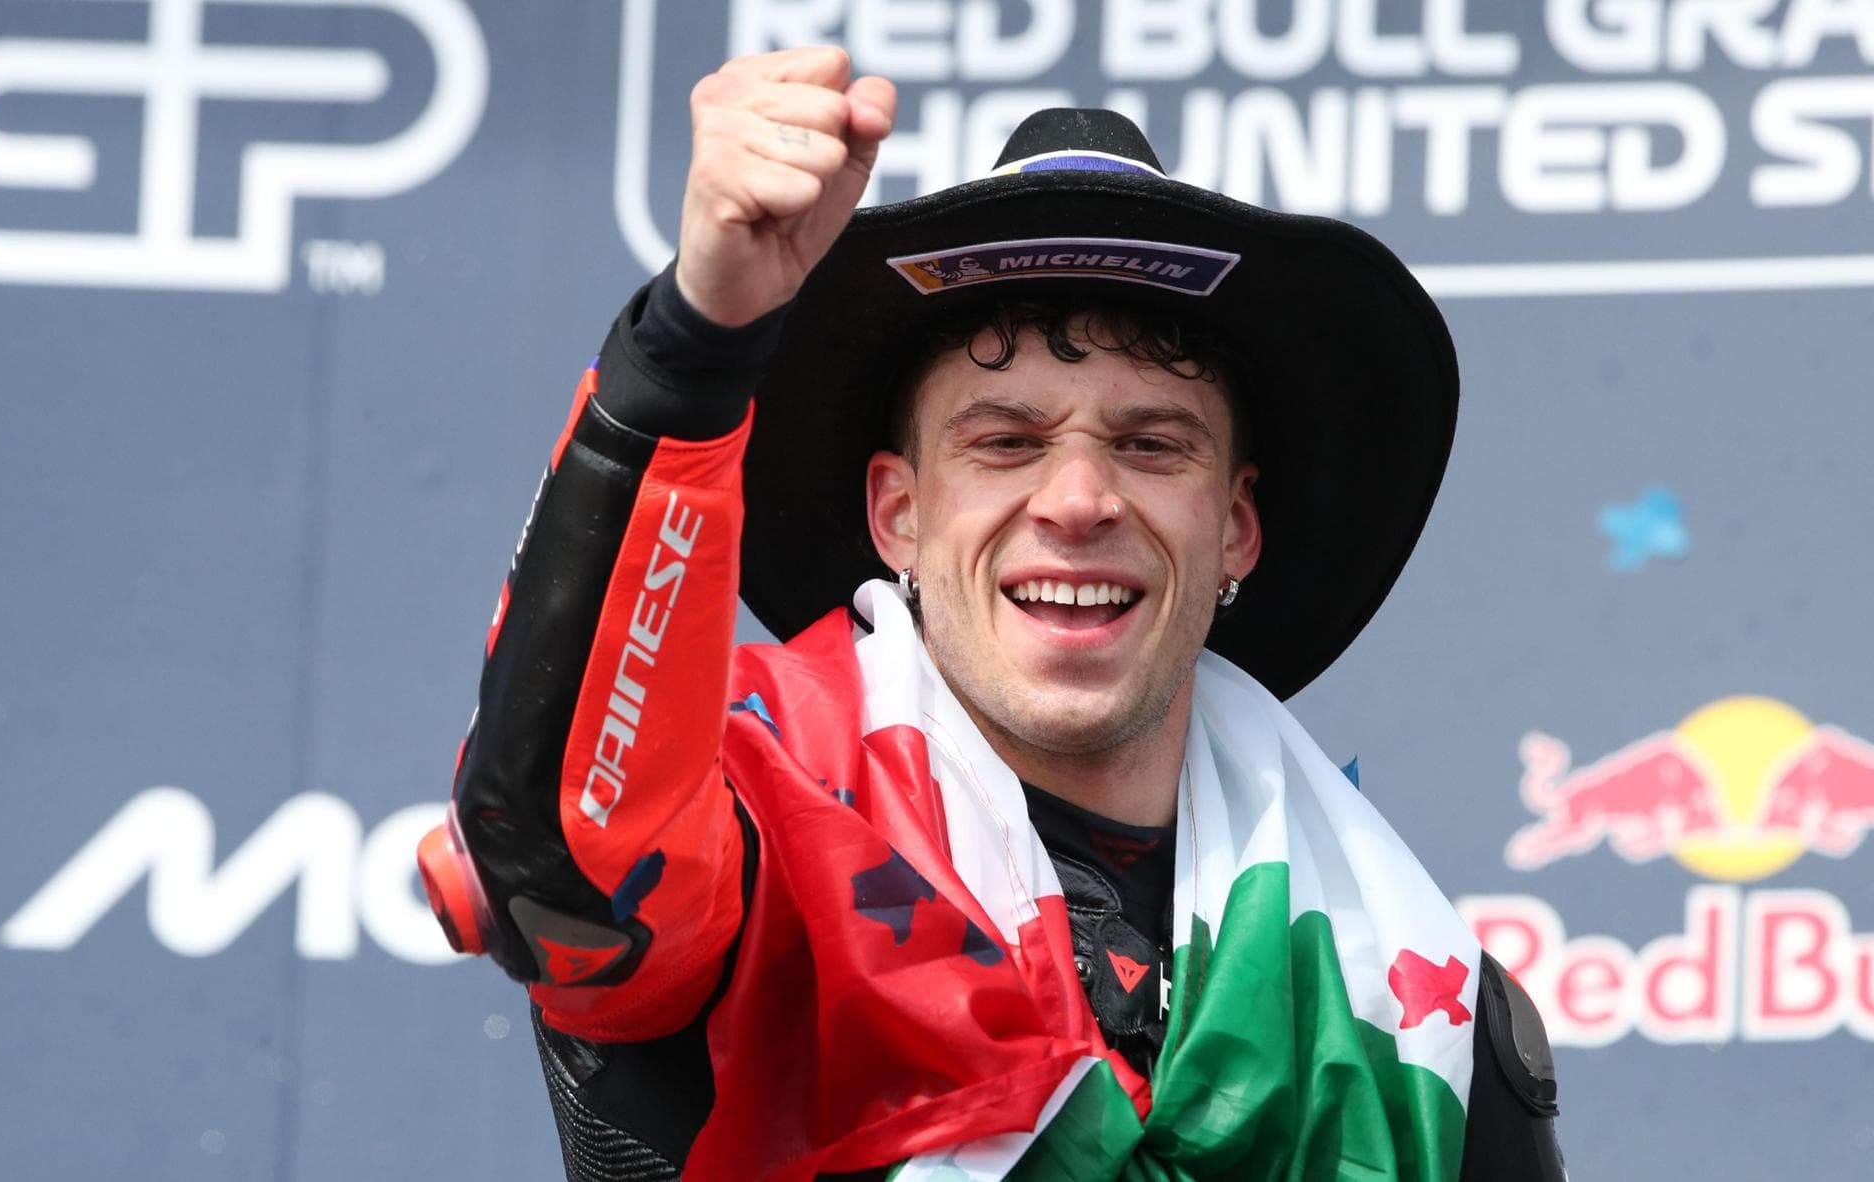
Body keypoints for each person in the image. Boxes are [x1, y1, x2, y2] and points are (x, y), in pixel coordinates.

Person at [417, 45, 1565, 1181]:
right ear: (899, 515)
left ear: (1235, 529)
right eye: (1008, 443)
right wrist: (691, 348)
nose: (1078, 500)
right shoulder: (754, 852)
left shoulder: (1421, 1007)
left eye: (1150, 445)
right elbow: (561, 863)